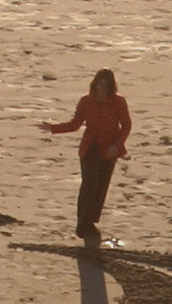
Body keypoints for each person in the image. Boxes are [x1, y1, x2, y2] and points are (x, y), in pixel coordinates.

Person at [41, 69, 132, 242]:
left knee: (101, 187)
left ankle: (90, 223)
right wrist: (53, 128)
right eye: (99, 84)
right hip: (89, 148)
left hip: (109, 149)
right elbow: (75, 124)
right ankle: (82, 223)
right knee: (89, 184)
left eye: (105, 85)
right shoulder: (86, 101)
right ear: (94, 84)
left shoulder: (118, 102)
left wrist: (117, 144)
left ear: (111, 87)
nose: (101, 88)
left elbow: (126, 125)